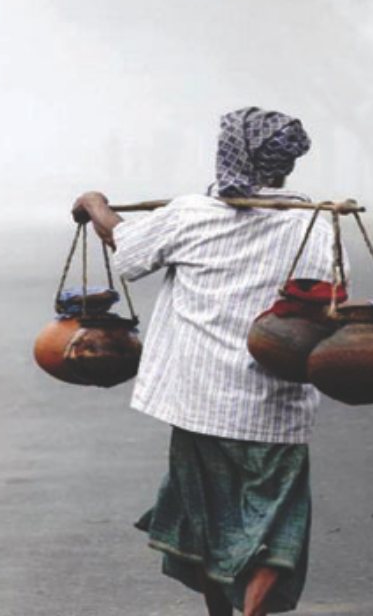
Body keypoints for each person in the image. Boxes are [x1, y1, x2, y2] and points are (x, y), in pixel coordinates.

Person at [71, 107, 336, 616]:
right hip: (274, 403)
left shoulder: (191, 214)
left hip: (201, 400)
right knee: (274, 525)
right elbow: (328, 296)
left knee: (208, 520)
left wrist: (94, 203)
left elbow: (125, 247)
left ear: (229, 153)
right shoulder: (312, 223)